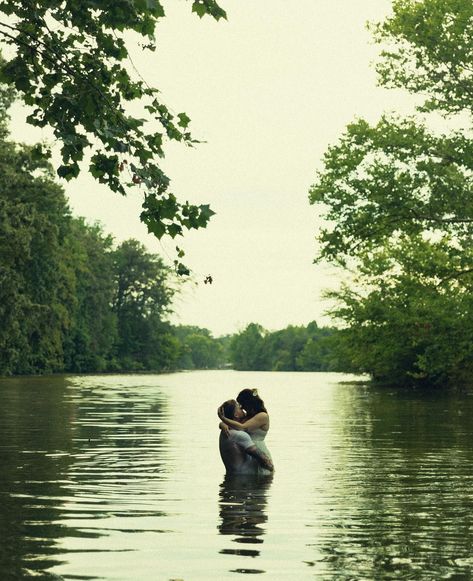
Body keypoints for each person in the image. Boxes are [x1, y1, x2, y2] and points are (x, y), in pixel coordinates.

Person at [218, 389, 273, 475]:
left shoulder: (262, 416)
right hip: (248, 448)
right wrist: (222, 424)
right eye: (239, 406)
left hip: (258, 448)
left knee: (263, 474)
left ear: (248, 403)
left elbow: (242, 427)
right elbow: (235, 425)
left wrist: (223, 419)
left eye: (242, 404)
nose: (242, 408)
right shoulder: (248, 416)